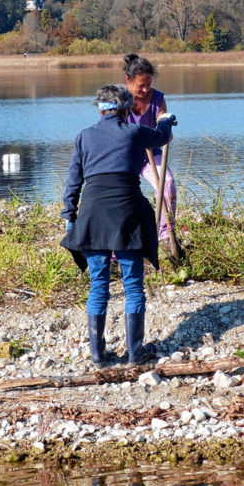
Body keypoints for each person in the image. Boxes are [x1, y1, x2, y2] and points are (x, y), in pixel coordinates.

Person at [61, 85, 177, 367]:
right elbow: (161, 138)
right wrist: (165, 120)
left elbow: (73, 180)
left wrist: (69, 215)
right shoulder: (134, 132)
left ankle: (99, 357)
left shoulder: (84, 136)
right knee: (133, 284)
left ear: (99, 109)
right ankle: (136, 353)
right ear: (125, 109)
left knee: (98, 284)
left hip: (93, 214)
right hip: (128, 212)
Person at [123, 53, 176, 242]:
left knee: (167, 183)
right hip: (124, 156)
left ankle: (165, 232)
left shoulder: (158, 98)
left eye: (149, 84)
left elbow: (163, 127)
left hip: (150, 154)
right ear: (128, 80)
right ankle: (118, 240)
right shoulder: (120, 98)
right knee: (120, 193)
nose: (145, 89)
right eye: (141, 85)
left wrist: (166, 129)